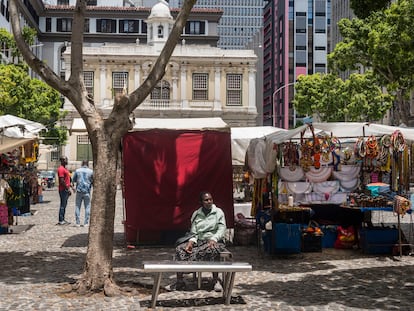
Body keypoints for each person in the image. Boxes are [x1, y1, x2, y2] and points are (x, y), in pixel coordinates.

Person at [166, 191, 227, 292]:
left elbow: (222, 229)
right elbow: (194, 232)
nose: (209, 201)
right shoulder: (196, 214)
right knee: (180, 249)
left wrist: (214, 238)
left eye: (210, 199)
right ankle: (180, 281)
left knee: (211, 249)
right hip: (200, 241)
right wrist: (191, 242)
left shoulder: (218, 212)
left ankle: (215, 280)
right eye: (206, 200)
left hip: (215, 240)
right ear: (201, 202)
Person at [72, 160, 93, 227]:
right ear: (87, 164)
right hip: (87, 191)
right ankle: (86, 223)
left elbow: (74, 180)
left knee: (77, 206)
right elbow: (93, 181)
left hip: (79, 191)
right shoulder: (91, 171)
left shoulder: (77, 171)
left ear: (82, 164)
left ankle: (78, 222)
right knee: (87, 207)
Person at [57, 156, 71, 225]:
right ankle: (61, 220)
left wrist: (70, 186)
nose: (67, 160)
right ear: (62, 161)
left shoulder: (65, 169)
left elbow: (67, 179)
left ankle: (63, 218)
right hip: (63, 190)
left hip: (65, 189)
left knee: (64, 205)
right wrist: (67, 189)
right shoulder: (61, 169)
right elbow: (62, 181)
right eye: (66, 159)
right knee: (62, 205)